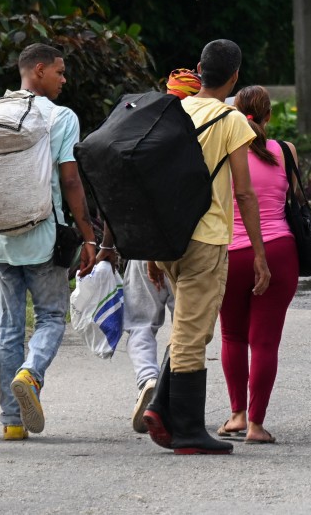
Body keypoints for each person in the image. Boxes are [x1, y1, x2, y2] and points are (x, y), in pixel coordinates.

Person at [0, 43, 98, 441]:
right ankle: (30, 374)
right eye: (59, 70)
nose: (63, 78)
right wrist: (89, 236)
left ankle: (11, 422)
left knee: (7, 327)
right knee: (52, 317)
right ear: (38, 70)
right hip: (44, 236)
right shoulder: (61, 118)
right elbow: (70, 180)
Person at [141, 39, 270, 456]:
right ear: (234, 78)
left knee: (186, 328)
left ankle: (161, 409)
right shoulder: (231, 120)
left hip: (168, 238)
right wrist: (259, 253)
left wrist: (149, 248)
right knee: (194, 334)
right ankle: (190, 432)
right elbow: (245, 195)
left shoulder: (171, 110)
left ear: (199, 69)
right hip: (207, 238)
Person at [113, 68, 201, 435]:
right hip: (191, 244)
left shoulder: (141, 129)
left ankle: (147, 380)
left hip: (143, 242)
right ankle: (163, 392)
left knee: (140, 324)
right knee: (185, 327)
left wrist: (112, 244)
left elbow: (118, 190)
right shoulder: (201, 131)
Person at [216, 85, 300, 445]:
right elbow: (293, 199)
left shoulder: (221, 152)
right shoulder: (285, 151)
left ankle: (236, 414)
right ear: (269, 115)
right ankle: (256, 424)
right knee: (264, 342)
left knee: (232, 335)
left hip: (230, 252)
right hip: (278, 250)